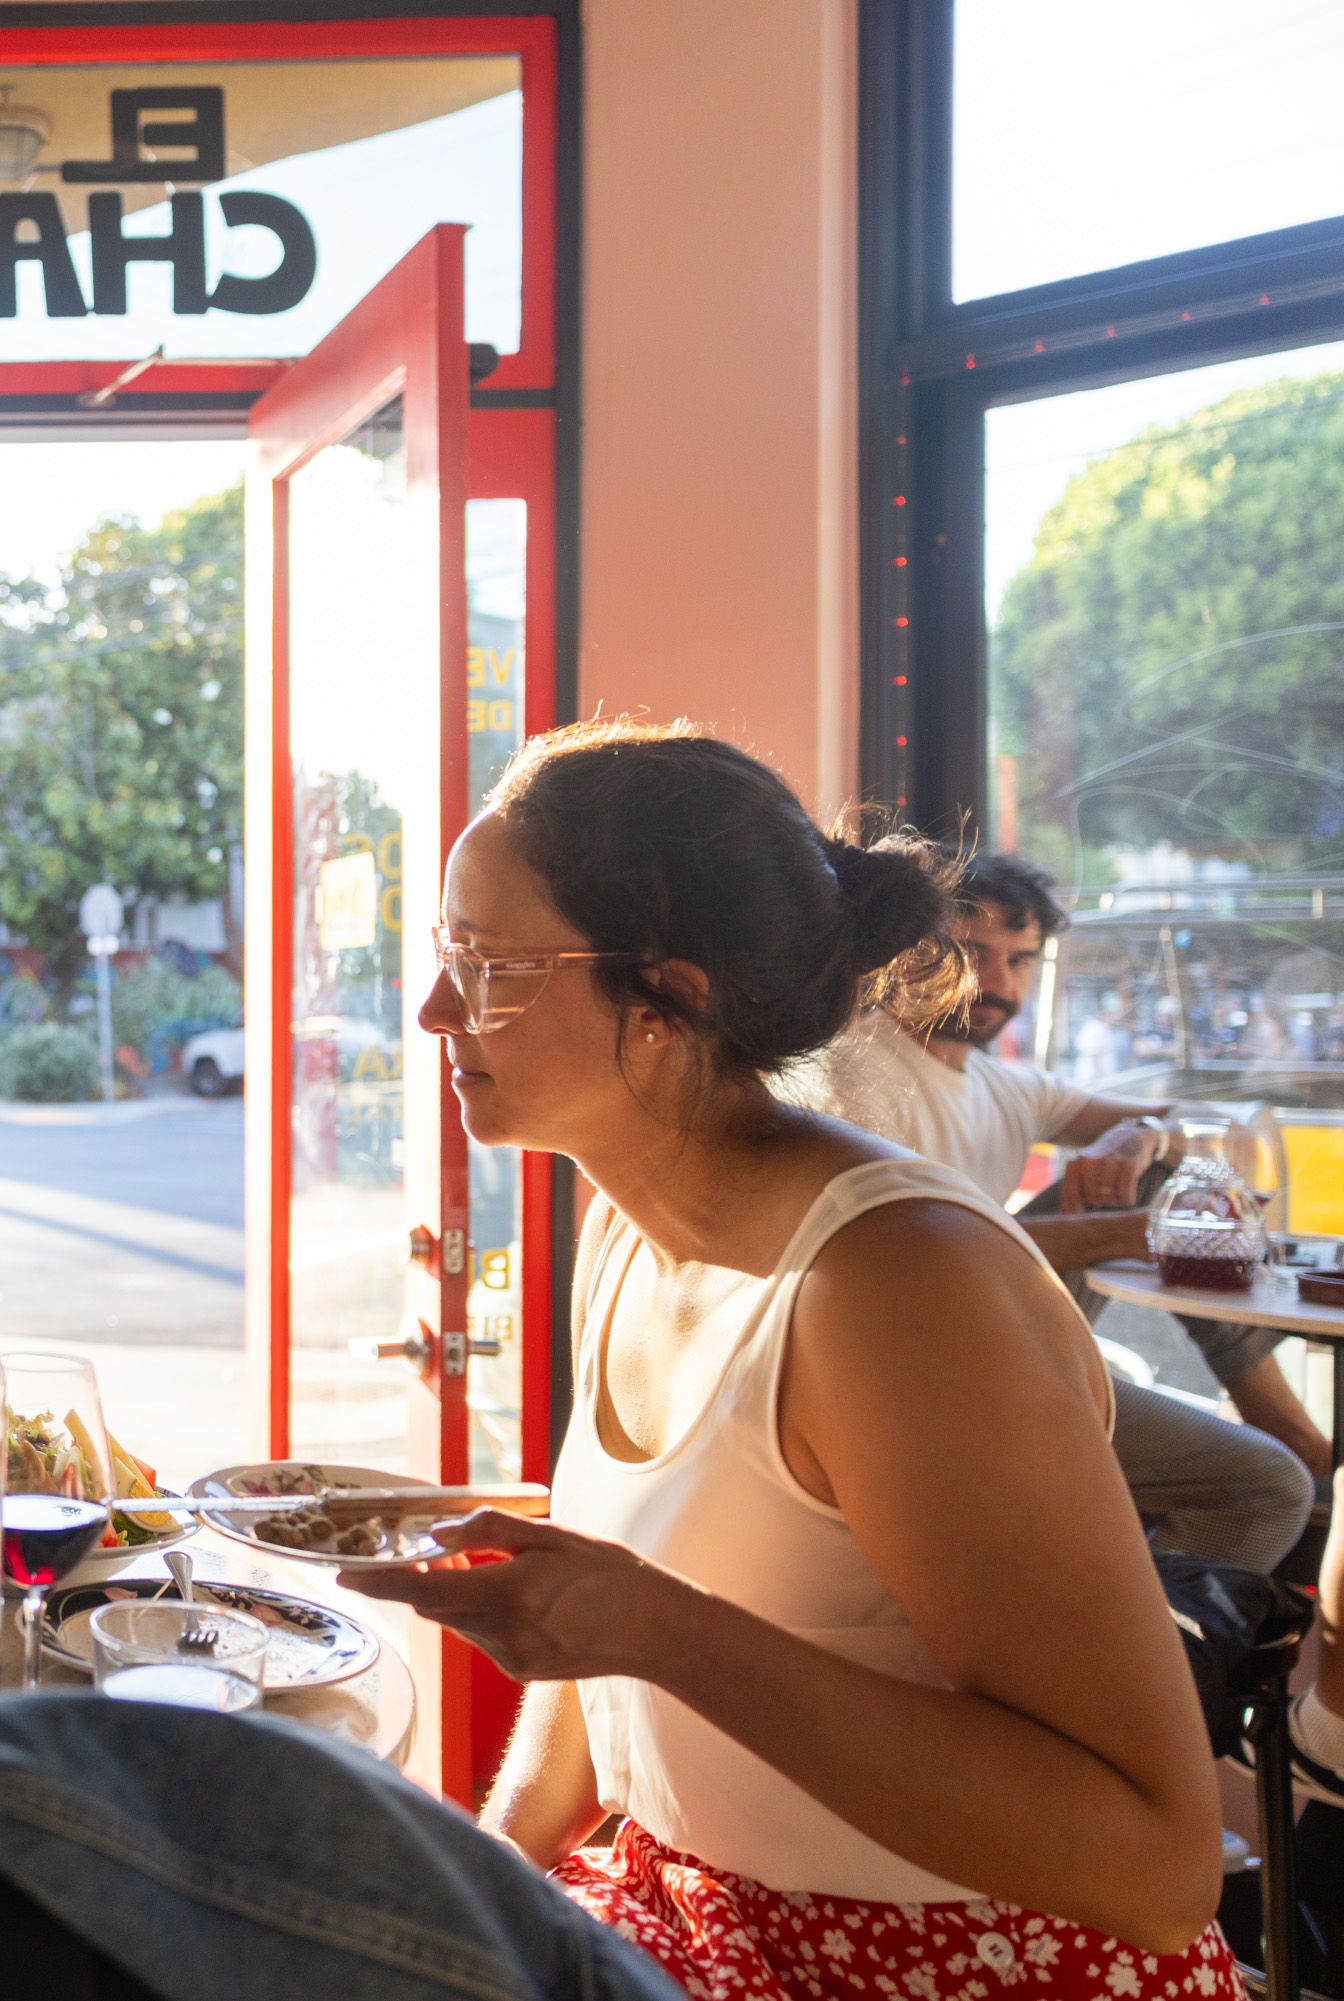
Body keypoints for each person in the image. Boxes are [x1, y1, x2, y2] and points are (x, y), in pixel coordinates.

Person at [358, 718, 1231, 2001]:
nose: (438, 1008)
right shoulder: (627, 1224)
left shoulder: (895, 1286)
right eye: (447, 951)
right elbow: (604, 1683)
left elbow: (1155, 1868)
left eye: (491, 964)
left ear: (673, 995)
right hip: (703, 1928)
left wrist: (659, 1629)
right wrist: (470, 1896)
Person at [787, 852, 1312, 1573]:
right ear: (914, 950)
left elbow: (1207, 1116)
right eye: (972, 954)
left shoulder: (1011, 1088)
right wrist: (1142, 1233)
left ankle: (1275, 1429)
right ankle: (1138, 1656)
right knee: (1275, 1487)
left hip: (998, 1331)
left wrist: (1143, 1133)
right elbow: (923, 1261)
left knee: (1156, 1166)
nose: (998, 983)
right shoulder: (858, 1068)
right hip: (928, 1371)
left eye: (1021, 960)